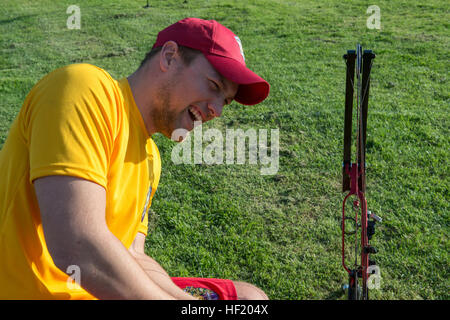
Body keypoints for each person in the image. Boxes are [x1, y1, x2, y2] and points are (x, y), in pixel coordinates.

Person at [0, 17, 270, 300]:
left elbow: (134, 255)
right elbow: (77, 246)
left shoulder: (151, 159)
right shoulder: (85, 91)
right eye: (214, 86)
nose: (217, 110)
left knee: (250, 298)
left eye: (225, 101)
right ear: (169, 57)